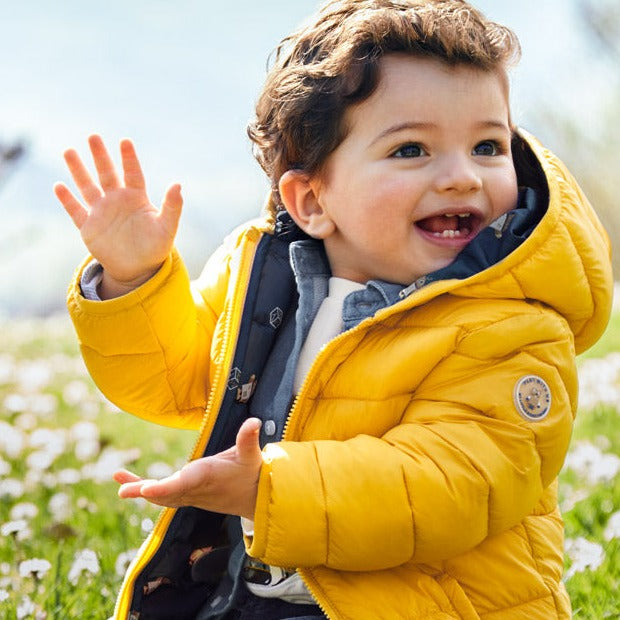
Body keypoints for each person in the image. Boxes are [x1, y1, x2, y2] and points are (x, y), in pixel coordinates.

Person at [54, 0, 613, 618]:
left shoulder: (511, 324)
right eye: (411, 151)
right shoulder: (263, 284)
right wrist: (135, 280)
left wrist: (270, 488)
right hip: (265, 596)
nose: (463, 177)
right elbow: (170, 383)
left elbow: (450, 485)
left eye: (487, 145)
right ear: (312, 201)